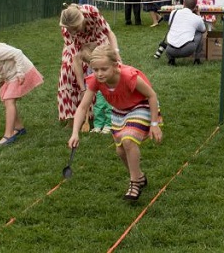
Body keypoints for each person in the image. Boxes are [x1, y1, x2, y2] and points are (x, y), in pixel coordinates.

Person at [69, 44, 163, 201]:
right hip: (119, 112)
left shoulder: (128, 76)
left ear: (115, 65)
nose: (99, 74)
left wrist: (154, 125)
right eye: (95, 69)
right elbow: (83, 107)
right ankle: (139, 176)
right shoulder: (95, 80)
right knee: (120, 152)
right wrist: (74, 133)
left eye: (104, 69)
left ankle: (134, 183)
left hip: (141, 106)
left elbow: (152, 95)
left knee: (128, 141)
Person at [58, 3, 119, 123]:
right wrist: (82, 89)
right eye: (70, 30)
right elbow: (76, 58)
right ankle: (73, 116)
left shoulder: (92, 12)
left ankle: (103, 111)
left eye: (75, 29)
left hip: (98, 40)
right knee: (67, 71)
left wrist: (116, 54)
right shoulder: (67, 29)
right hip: (78, 46)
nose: (73, 32)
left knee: (100, 69)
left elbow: (109, 33)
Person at [160, 0, 207, 65]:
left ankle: (171, 60)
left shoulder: (174, 12)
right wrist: (198, 14)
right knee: (199, 33)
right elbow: (203, 30)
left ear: (184, 4)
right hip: (187, 50)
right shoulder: (197, 18)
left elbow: (170, 24)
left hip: (170, 50)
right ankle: (197, 59)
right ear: (195, 8)